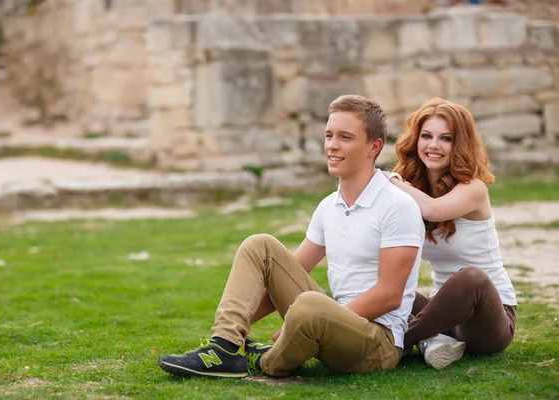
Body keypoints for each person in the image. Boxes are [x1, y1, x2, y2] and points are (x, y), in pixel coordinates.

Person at [157, 95, 425, 378]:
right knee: (260, 245)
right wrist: (235, 329)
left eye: (345, 137)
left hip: (377, 343)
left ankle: (267, 361)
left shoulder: (398, 205)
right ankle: (223, 349)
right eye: (329, 135)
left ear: (374, 146)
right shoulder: (328, 206)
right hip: (329, 323)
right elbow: (285, 274)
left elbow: (389, 295)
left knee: (310, 306)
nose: (332, 145)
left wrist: (312, 318)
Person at [386, 97, 517, 370]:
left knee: (472, 276)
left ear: (460, 145)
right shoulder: (413, 189)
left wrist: (393, 181)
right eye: (426, 136)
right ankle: (431, 340)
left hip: (489, 320)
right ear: (416, 140)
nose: (434, 145)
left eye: (445, 138)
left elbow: (433, 210)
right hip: (444, 313)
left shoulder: (474, 187)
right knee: (389, 287)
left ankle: (397, 340)